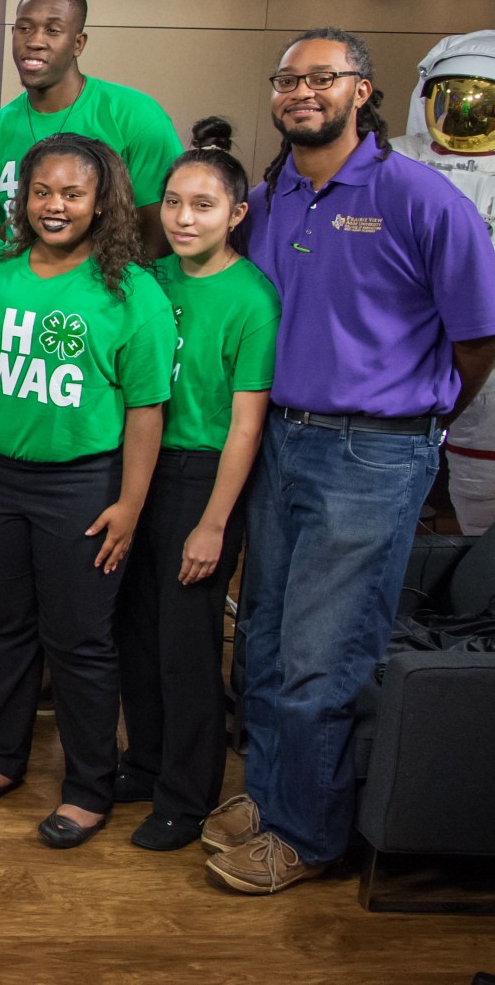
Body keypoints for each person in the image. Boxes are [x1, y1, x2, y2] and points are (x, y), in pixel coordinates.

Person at [208, 29, 495, 894]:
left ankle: (306, 832)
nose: (302, 92)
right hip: (277, 440)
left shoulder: (420, 198)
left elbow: (481, 336)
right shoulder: (269, 199)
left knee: (320, 652)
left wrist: (426, 416)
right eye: (288, 79)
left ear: (364, 91)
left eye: (322, 78)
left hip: (370, 452)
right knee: (261, 636)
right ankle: (267, 797)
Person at [0, 133, 175, 849]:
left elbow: (146, 410)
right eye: (42, 191)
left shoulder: (132, 291)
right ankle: (4, 759)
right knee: (6, 629)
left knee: (79, 640)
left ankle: (88, 786)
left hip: (82, 484)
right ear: (22, 198)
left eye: (72, 192)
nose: (55, 205)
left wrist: (131, 504)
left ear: (103, 201)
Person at [114, 117, 278, 853]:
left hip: (199, 475)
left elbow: (245, 424)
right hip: (136, 468)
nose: (183, 218)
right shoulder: (151, 279)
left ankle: (187, 795)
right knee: (137, 632)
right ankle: (144, 763)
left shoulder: (252, 297)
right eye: (174, 202)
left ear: (237, 214)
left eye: (203, 206)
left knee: (185, 644)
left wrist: (214, 522)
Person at [393, 30, 495, 534]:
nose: (464, 110)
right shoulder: (395, 156)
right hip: (399, 351)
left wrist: (476, 325)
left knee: (490, 492)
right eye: (451, 95)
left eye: (482, 99)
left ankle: (489, 603)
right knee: (383, 484)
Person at [0, 0, 181, 243]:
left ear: (78, 43)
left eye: (53, 30)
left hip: (109, 281)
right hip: (21, 281)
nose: (35, 41)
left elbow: (159, 237)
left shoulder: (136, 117)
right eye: (25, 29)